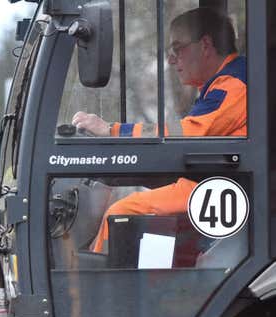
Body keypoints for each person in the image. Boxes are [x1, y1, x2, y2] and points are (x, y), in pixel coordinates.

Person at [72, 7, 246, 253]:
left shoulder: (234, 85)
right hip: (219, 184)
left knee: (122, 212)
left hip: (227, 191)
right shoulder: (222, 85)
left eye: (177, 48)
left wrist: (112, 130)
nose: (171, 60)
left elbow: (186, 135)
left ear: (205, 45)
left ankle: (98, 288)